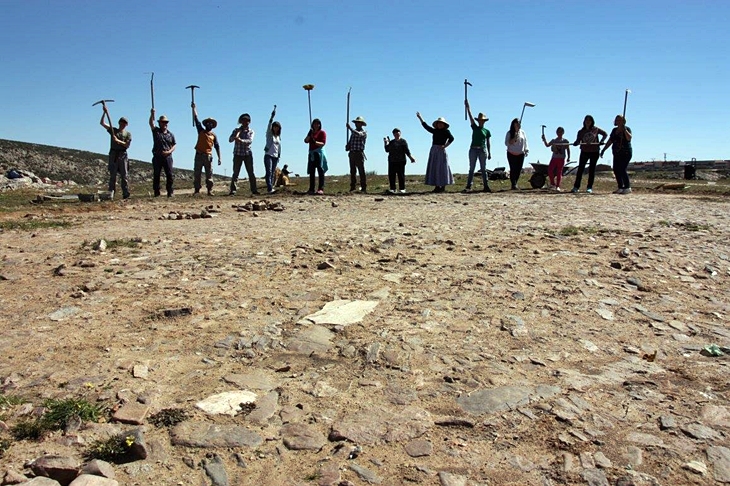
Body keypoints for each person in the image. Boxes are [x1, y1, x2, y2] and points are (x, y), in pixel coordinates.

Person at [416, 112, 454, 193]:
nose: (440, 125)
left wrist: (445, 146)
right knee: (435, 167)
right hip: (434, 150)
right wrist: (420, 117)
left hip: (441, 150)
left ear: (444, 125)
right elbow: (426, 126)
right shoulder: (435, 131)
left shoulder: (446, 132)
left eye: (441, 123)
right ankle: (437, 186)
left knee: (443, 167)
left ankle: (443, 186)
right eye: (439, 123)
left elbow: (451, 138)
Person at [99, 107, 131, 200]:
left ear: (126, 124)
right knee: (112, 175)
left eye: (124, 123)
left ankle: (126, 193)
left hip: (123, 154)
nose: (123, 124)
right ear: (119, 123)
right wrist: (104, 112)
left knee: (124, 175)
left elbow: (127, 145)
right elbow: (102, 123)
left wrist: (117, 141)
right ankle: (111, 194)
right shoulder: (113, 130)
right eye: (121, 122)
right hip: (113, 154)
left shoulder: (127, 134)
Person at [571, 115, 608, 194]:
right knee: (580, 169)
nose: (588, 121)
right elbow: (578, 140)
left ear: (592, 121)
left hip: (594, 151)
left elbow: (605, 134)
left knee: (592, 169)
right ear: (584, 121)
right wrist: (576, 143)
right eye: (586, 120)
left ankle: (589, 187)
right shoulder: (581, 132)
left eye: (589, 120)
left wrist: (601, 141)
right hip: (584, 151)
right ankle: (576, 187)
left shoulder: (595, 129)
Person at [191, 103, 221, 196]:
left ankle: (210, 190)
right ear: (206, 124)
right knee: (197, 173)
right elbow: (196, 120)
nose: (209, 124)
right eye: (208, 123)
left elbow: (217, 146)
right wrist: (194, 108)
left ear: (213, 125)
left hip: (208, 156)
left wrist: (219, 158)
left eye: (211, 123)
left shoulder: (213, 135)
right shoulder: (201, 131)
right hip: (199, 155)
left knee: (209, 174)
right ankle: (197, 190)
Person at [464, 100, 492, 192]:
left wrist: (489, 152)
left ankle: (486, 186)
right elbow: (471, 118)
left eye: (482, 120)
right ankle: (469, 186)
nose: (481, 121)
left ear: (484, 121)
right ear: (478, 121)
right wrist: (468, 108)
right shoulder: (475, 127)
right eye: (480, 120)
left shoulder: (486, 131)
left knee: (483, 169)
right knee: (471, 168)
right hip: (473, 149)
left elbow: (488, 142)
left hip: (482, 150)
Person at [601, 115, 633, 194]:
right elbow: (610, 141)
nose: (618, 121)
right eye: (617, 120)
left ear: (623, 121)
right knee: (616, 169)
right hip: (616, 152)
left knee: (622, 169)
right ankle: (620, 187)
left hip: (625, 152)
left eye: (620, 120)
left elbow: (629, 138)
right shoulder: (614, 130)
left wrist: (624, 130)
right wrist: (604, 149)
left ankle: (627, 187)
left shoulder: (627, 129)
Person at [149, 109, 176, 198]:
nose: (165, 124)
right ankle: (157, 192)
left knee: (169, 174)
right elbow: (151, 123)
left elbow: (174, 145)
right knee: (157, 174)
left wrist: (169, 151)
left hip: (168, 157)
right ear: (160, 123)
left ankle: (170, 192)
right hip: (157, 156)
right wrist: (152, 114)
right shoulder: (156, 131)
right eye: (163, 122)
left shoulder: (170, 134)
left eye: (166, 122)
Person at [229, 113, 258, 196]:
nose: (245, 122)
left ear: (249, 122)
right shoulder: (236, 130)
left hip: (247, 154)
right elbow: (230, 140)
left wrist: (241, 140)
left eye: (247, 121)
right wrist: (235, 136)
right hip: (237, 154)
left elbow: (249, 141)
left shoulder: (251, 131)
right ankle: (233, 190)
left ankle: (254, 190)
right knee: (235, 173)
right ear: (241, 121)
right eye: (243, 120)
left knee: (251, 173)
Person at [384, 128, 416, 193]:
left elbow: (407, 151)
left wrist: (411, 158)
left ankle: (402, 188)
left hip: (401, 161)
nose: (397, 133)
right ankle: (393, 188)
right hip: (392, 161)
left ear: (400, 133)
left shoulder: (403, 141)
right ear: (393, 134)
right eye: (395, 132)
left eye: (398, 132)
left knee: (401, 175)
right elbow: (387, 150)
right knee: (391, 175)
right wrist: (385, 143)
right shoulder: (391, 142)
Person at [541, 127, 570, 191]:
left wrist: (569, 157)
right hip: (554, 158)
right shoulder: (554, 140)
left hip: (561, 158)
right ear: (556, 132)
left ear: (563, 133)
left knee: (559, 172)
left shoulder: (565, 141)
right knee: (550, 170)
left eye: (561, 132)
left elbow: (568, 149)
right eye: (558, 132)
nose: (559, 133)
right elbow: (547, 145)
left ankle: (558, 186)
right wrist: (544, 139)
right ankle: (552, 184)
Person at [304, 118, 327, 194]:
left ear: (320, 125)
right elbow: (306, 141)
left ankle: (321, 188)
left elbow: (323, 143)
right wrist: (309, 134)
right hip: (311, 154)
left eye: (318, 124)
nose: (316, 125)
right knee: (312, 171)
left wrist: (315, 142)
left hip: (319, 153)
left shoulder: (322, 133)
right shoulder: (311, 133)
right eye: (314, 124)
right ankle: (311, 189)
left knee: (320, 171)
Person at [505, 118, 528, 190]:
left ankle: (515, 183)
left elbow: (525, 142)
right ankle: (513, 184)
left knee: (518, 169)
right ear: (513, 124)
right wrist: (514, 137)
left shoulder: (522, 132)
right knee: (513, 169)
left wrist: (526, 149)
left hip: (521, 154)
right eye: (517, 123)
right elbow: (506, 143)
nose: (518, 124)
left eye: (519, 123)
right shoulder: (509, 133)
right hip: (511, 153)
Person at [346, 116, 368, 192]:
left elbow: (359, 135)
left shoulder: (364, 132)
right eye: (356, 123)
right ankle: (353, 187)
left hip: (359, 153)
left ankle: (363, 187)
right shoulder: (353, 132)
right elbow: (351, 141)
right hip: (352, 153)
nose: (356, 124)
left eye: (358, 123)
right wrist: (348, 146)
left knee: (361, 170)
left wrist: (350, 128)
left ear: (361, 124)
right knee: (352, 171)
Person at [264, 107, 282, 194]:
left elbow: (279, 147)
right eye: (275, 127)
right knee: (269, 171)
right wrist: (272, 117)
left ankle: (271, 187)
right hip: (268, 155)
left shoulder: (278, 137)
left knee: (273, 173)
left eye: (277, 127)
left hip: (275, 156)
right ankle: (269, 188)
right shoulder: (269, 134)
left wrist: (279, 155)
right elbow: (269, 124)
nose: (276, 128)